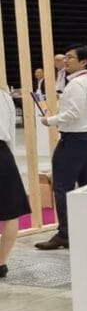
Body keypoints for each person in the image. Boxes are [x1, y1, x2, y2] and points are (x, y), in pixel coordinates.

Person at [34, 46, 87, 251]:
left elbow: (73, 113)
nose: (65, 61)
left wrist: (50, 120)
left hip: (75, 139)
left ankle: (65, 234)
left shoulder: (77, 83)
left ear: (84, 62)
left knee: (62, 186)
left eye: (70, 58)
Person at [0, 87, 31, 275]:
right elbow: (11, 131)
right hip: (3, 152)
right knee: (10, 213)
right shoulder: (4, 96)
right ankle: (1, 262)